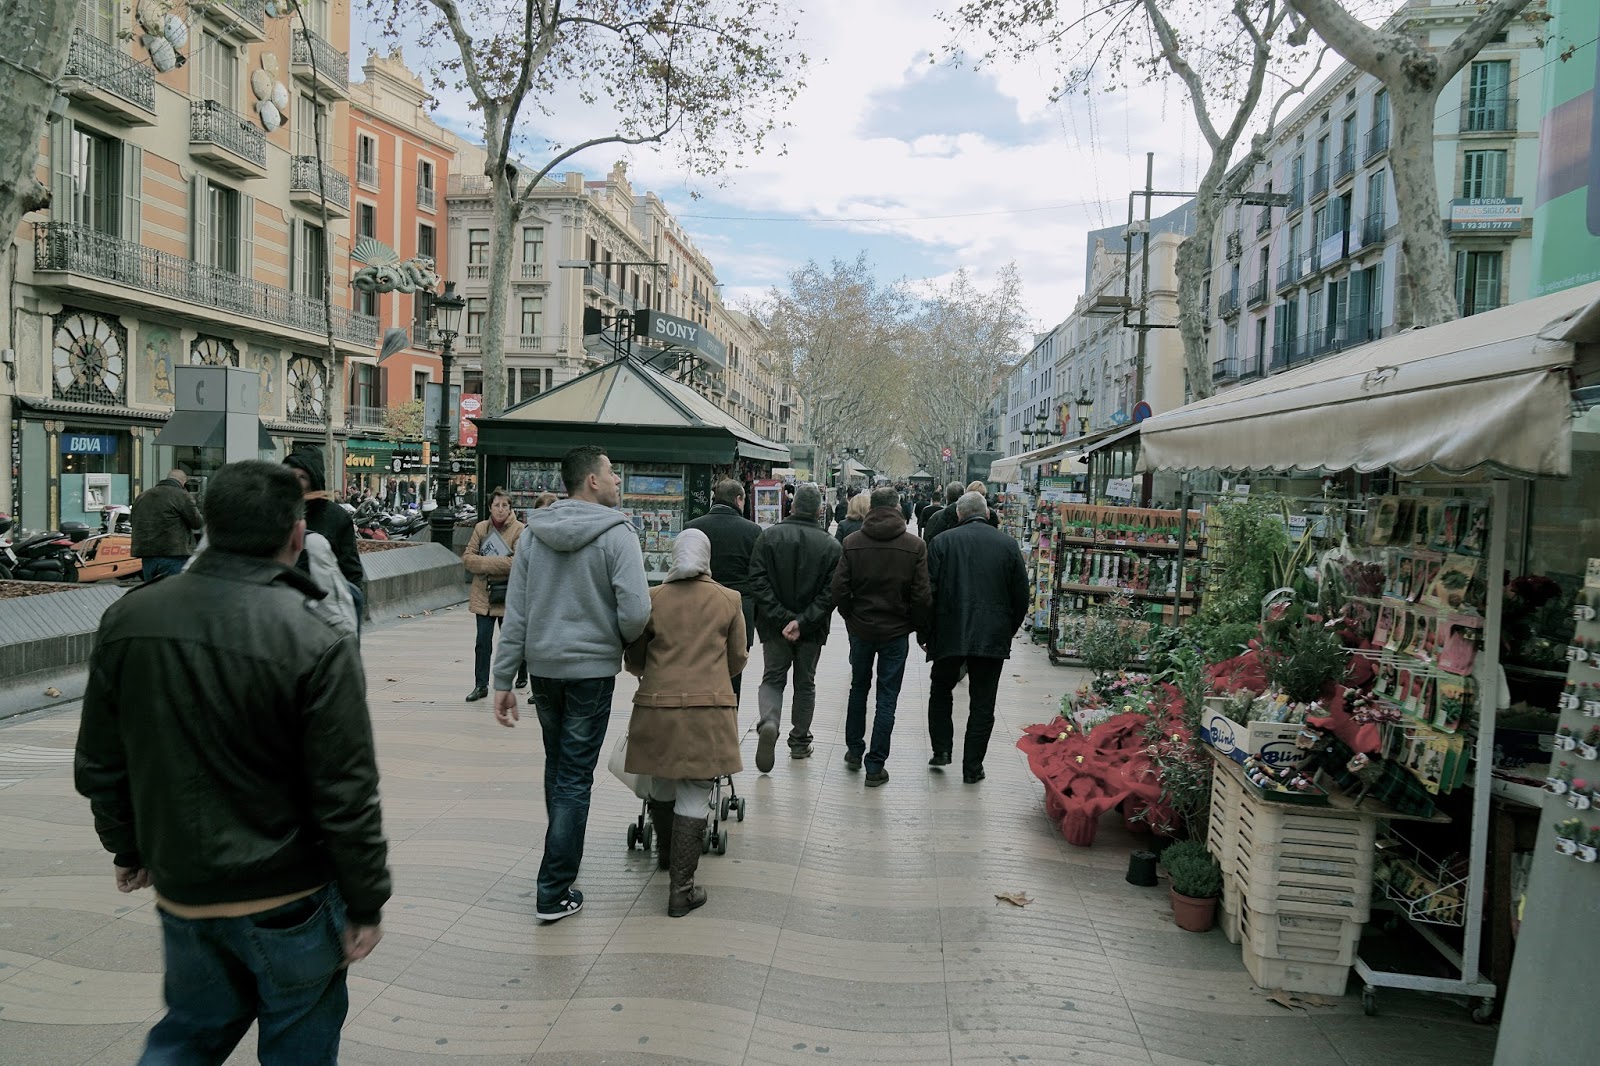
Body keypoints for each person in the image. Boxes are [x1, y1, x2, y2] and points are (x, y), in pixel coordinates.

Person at [74, 460, 389, 1064]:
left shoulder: (130, 618)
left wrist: (128, 847)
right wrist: (366, 901)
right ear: (297, 536)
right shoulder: (316, 638)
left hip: (186, 887)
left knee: (189, 1035)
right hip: (290, 892)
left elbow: (101, 762)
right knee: (298, 1044)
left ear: (207, 527)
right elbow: (347, 790)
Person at [491, 446, 650, 922]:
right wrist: (615, 640)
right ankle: (554, 887)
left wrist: (502, 678)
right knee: (575, 777)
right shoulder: (618, 535)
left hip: (545, 670)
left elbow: (516, 613)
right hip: (591, 672)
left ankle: (559, 865)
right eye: (611, 472)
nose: (618, 479)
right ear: (591, 482)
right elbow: (638, 611)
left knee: (558, 766)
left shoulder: (534, 536)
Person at [623, 530, 746, 916]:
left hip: (657, 708)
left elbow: (635, 659)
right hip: (708, 711)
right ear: (708, 557)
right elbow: (738, 658)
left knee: (661, 781)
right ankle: (682, 888)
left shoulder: (654, 598)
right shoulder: (729, 599)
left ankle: (665, 853)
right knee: (695, 790)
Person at [924, 492, 1029, 783]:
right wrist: (1007, 630)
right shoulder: (1008, 545)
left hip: (949, 632)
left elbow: (927, 594)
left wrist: (926, 633)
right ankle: (972, 768)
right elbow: (1021, 596)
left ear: (958, 514)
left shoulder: (941, 542)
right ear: (986, 513)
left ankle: (942, 750)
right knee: (983, 702)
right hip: (991, 635)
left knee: (941, 689)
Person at [831, 486, 932, 787]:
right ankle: (875, 765)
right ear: (898, 506)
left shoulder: (852, 542)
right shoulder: (914, 546)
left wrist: (851, 616)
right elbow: (922, 596)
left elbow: (838, 589)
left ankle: (853, 750)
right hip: (895, 632)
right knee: (887, 696)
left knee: (858, 688)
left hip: (861, 628)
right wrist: (915, 627)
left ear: (872, 507)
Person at [747, 483, 841, 772]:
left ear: (791, 505)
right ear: (819, 510)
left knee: (773, 678)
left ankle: (770, 721)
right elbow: (831, 592)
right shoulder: (831, 546)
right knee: (805, 683)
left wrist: (781, 617)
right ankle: (799, 741)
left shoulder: (768, 537)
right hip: (811, 631)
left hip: (774, 628)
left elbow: (758, 581)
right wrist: (802, 621)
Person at [684, 479, 762, 703]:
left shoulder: (693, 527)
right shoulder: (752, 531)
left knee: (699, 666)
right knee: (734, 670)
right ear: (738, 499)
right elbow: (758, 575)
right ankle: (727, 723)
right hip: (739, 609)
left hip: (701, 606)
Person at [284, 448, 365, 618]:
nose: (296, 482)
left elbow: (351, 571)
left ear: (313, 481)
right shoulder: (276, 511)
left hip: (324, 611)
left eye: (302, 477)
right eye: (291, 476)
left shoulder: (336, 517)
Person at [463, 488, 528, 702]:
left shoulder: (519, 530)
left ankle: (522, 671)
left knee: (512, 640)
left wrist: (484, 563)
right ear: (490, 507)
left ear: (510, 508)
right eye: (497, 505)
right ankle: (480, 684)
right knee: (483, 642)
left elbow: (516, 562)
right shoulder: (481, 528)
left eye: (505, 505)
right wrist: (497, 563)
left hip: (509, 594)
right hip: (484, 594)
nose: (500, 509)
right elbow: (468, 559)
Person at [130, 468, 203, 582]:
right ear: (183, 482)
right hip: (173, 554)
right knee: (172, 594)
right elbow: (197, 523)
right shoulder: (182, 495)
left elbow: (133, 521)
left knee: (151, 593)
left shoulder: (142, 496)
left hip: (147, 556)